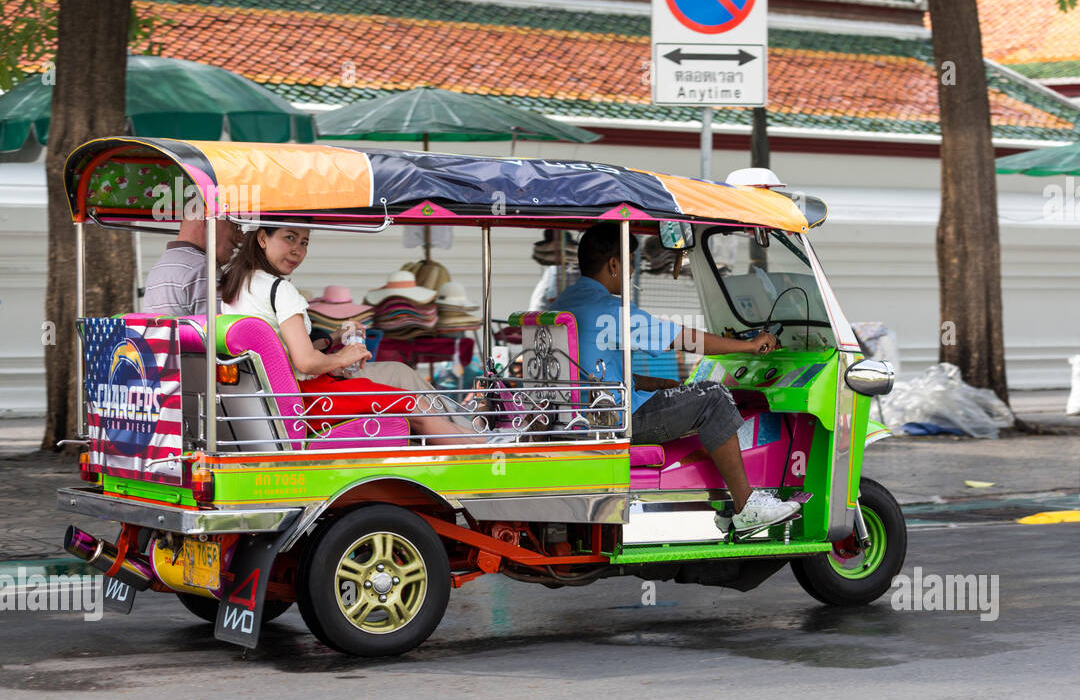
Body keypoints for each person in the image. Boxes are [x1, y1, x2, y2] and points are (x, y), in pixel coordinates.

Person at [550, 222, 800, 533]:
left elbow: (588, 369)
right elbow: (682, 338)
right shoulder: (607, 310)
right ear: (614, 264)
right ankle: (745, 504)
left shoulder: (564, 303)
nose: (629, 274)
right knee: (714, 397)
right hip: (618, 419)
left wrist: (647, 382)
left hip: (582, 416)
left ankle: (723, 506)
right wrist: (748, 345)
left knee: (691, 399)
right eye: (629, 264)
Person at [218, 225, 489, 442]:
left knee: (403, 384)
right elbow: (306, 363)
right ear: (263, 238)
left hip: (272, 399)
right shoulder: (281, 290)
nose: (297, 250)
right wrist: (343, 357)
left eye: (304, 242)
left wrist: (331, 341)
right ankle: (484, 445)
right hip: (304, 398)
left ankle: (474, 434)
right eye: (290, 238)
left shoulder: (237, 286)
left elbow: (282, 351)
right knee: (413, 405)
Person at [142, 215, 239, 316]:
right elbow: (221, 328)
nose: (241, 237)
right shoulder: (202, 269)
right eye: (235, 226)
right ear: (207, 220)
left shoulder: (159, 267)